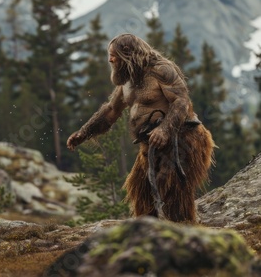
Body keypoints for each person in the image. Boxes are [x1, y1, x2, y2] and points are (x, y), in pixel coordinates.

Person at [67, 33, 214, 223]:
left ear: (129, 54)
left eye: (114, 55)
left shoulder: (161, 70)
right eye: (109, 54)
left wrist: (164, 129)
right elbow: (111, 110)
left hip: (184, 140)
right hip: (150, 146)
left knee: (174, 198)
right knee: (143, 199)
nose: (110, 59)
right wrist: (84, 133)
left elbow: (181, 101)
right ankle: (149, 244)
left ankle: (185, 242)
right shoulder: (127, 79)